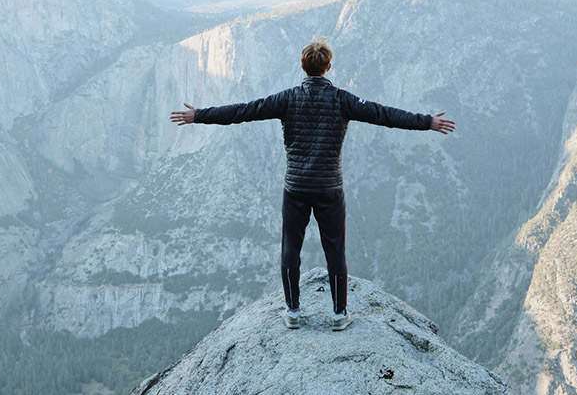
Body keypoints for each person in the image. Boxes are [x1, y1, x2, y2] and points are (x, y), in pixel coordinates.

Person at [170, 37, 455, 331]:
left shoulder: (287, 98)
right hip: (330, 188)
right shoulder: (343, 100)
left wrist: (198, 116)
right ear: (328, 67)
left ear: (303, 67)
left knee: (290, 248)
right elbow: (384, 114)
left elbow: (243, 111)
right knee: (335, 251)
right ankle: (339, 314)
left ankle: (292, 312)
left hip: (295, 188)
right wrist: (426, 122)